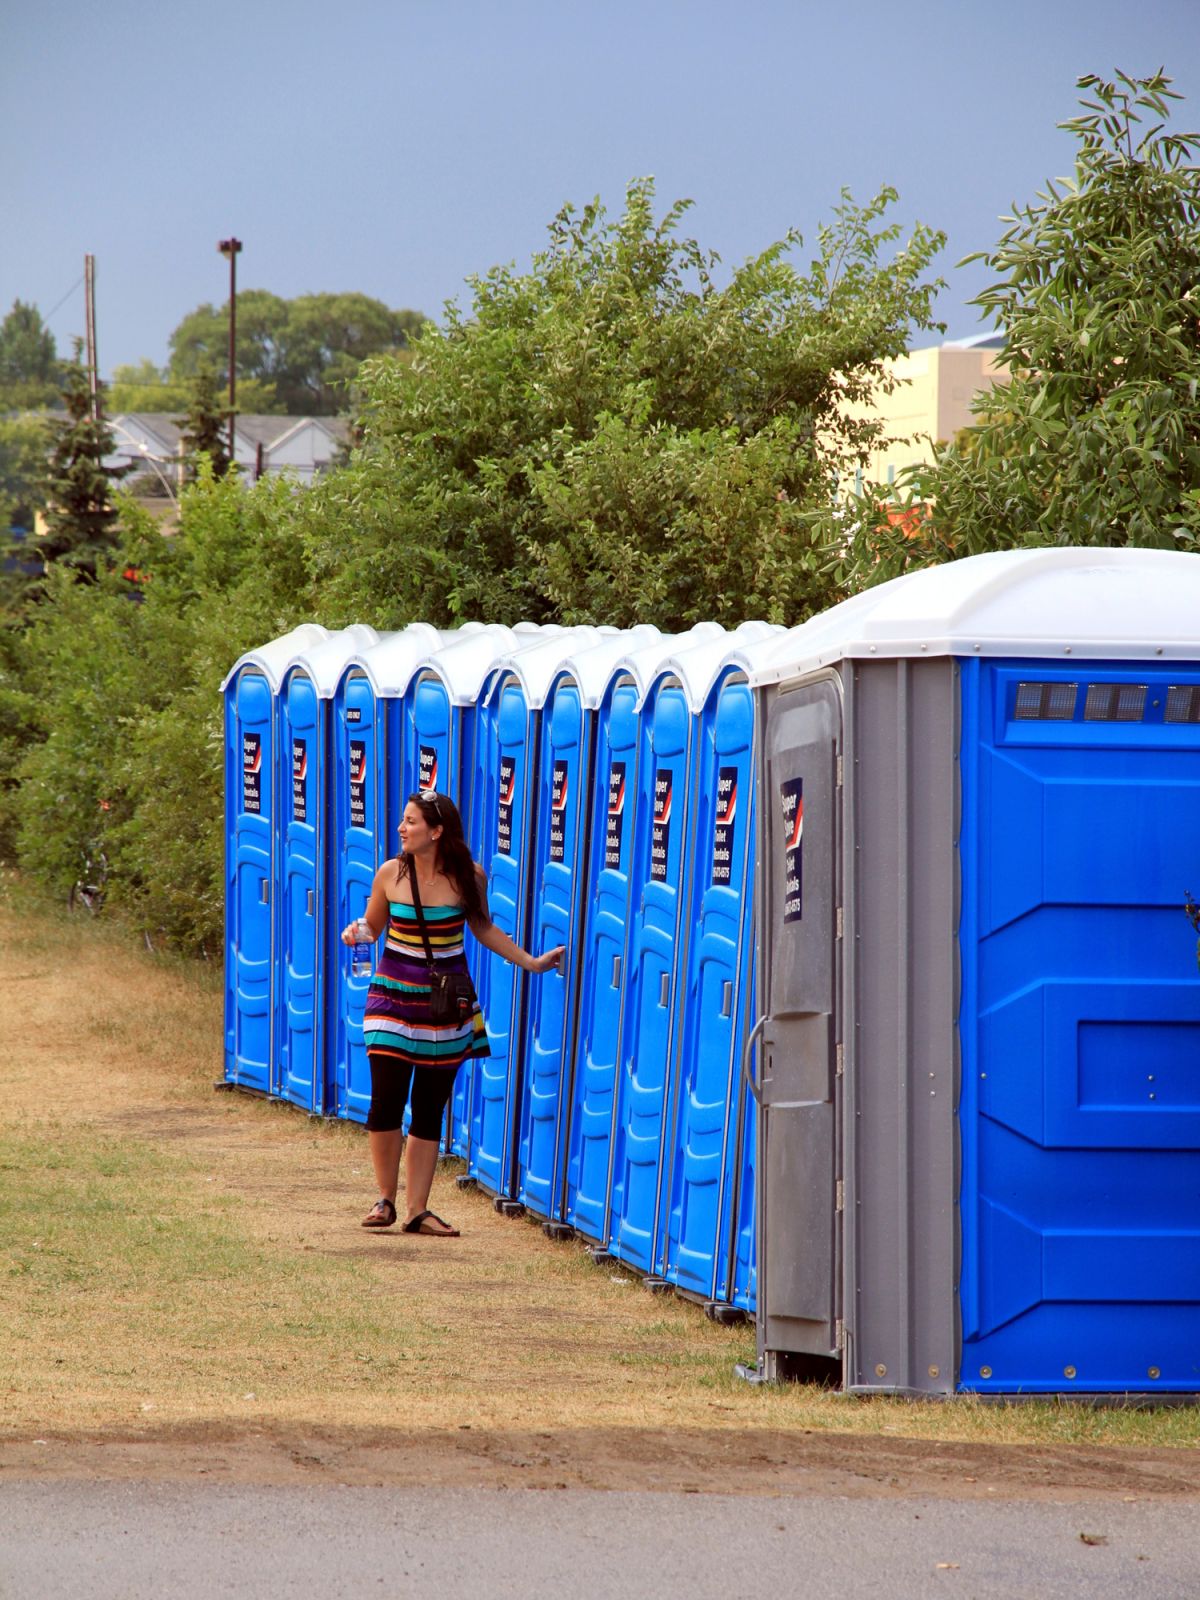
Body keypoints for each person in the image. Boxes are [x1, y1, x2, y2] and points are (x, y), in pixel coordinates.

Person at [341, 788, 563, 1237]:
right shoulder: (390, 873)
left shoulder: (468, 876)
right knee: (386, 1100)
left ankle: (416, 1210)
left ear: (437, 831)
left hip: (445, 1006)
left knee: (428, 1108)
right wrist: (355, 931)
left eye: (411, 822)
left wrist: (532, 962)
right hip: (391, 1000)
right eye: (403, 821)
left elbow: (483, 928)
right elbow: (372, 926)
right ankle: (384, 1200)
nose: (401, 829)